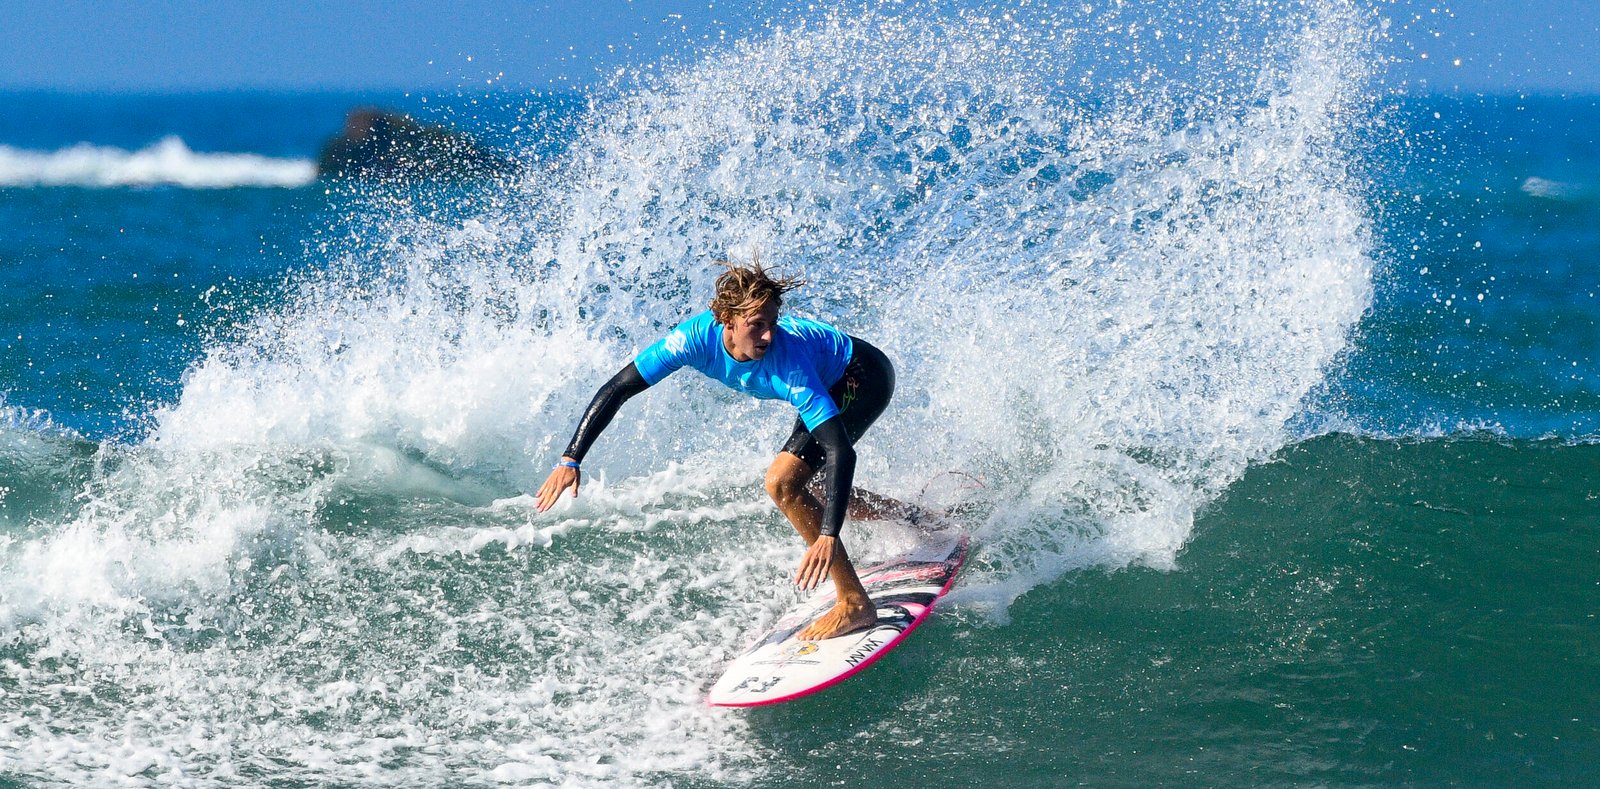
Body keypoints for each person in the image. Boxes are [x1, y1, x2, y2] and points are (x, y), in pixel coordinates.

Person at [535, 261, 898, 641]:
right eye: (756, 324)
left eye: (773, 322)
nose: (768, 335)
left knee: (783, 483)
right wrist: (570, 459)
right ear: (726, 320)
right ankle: (909, 517)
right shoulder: (692, 340)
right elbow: (620, 386)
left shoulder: (788, 363)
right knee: (818, 486)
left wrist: (827, 534)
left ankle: (855, 603)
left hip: (861, 375)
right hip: (834, 374)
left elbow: (842, 451)